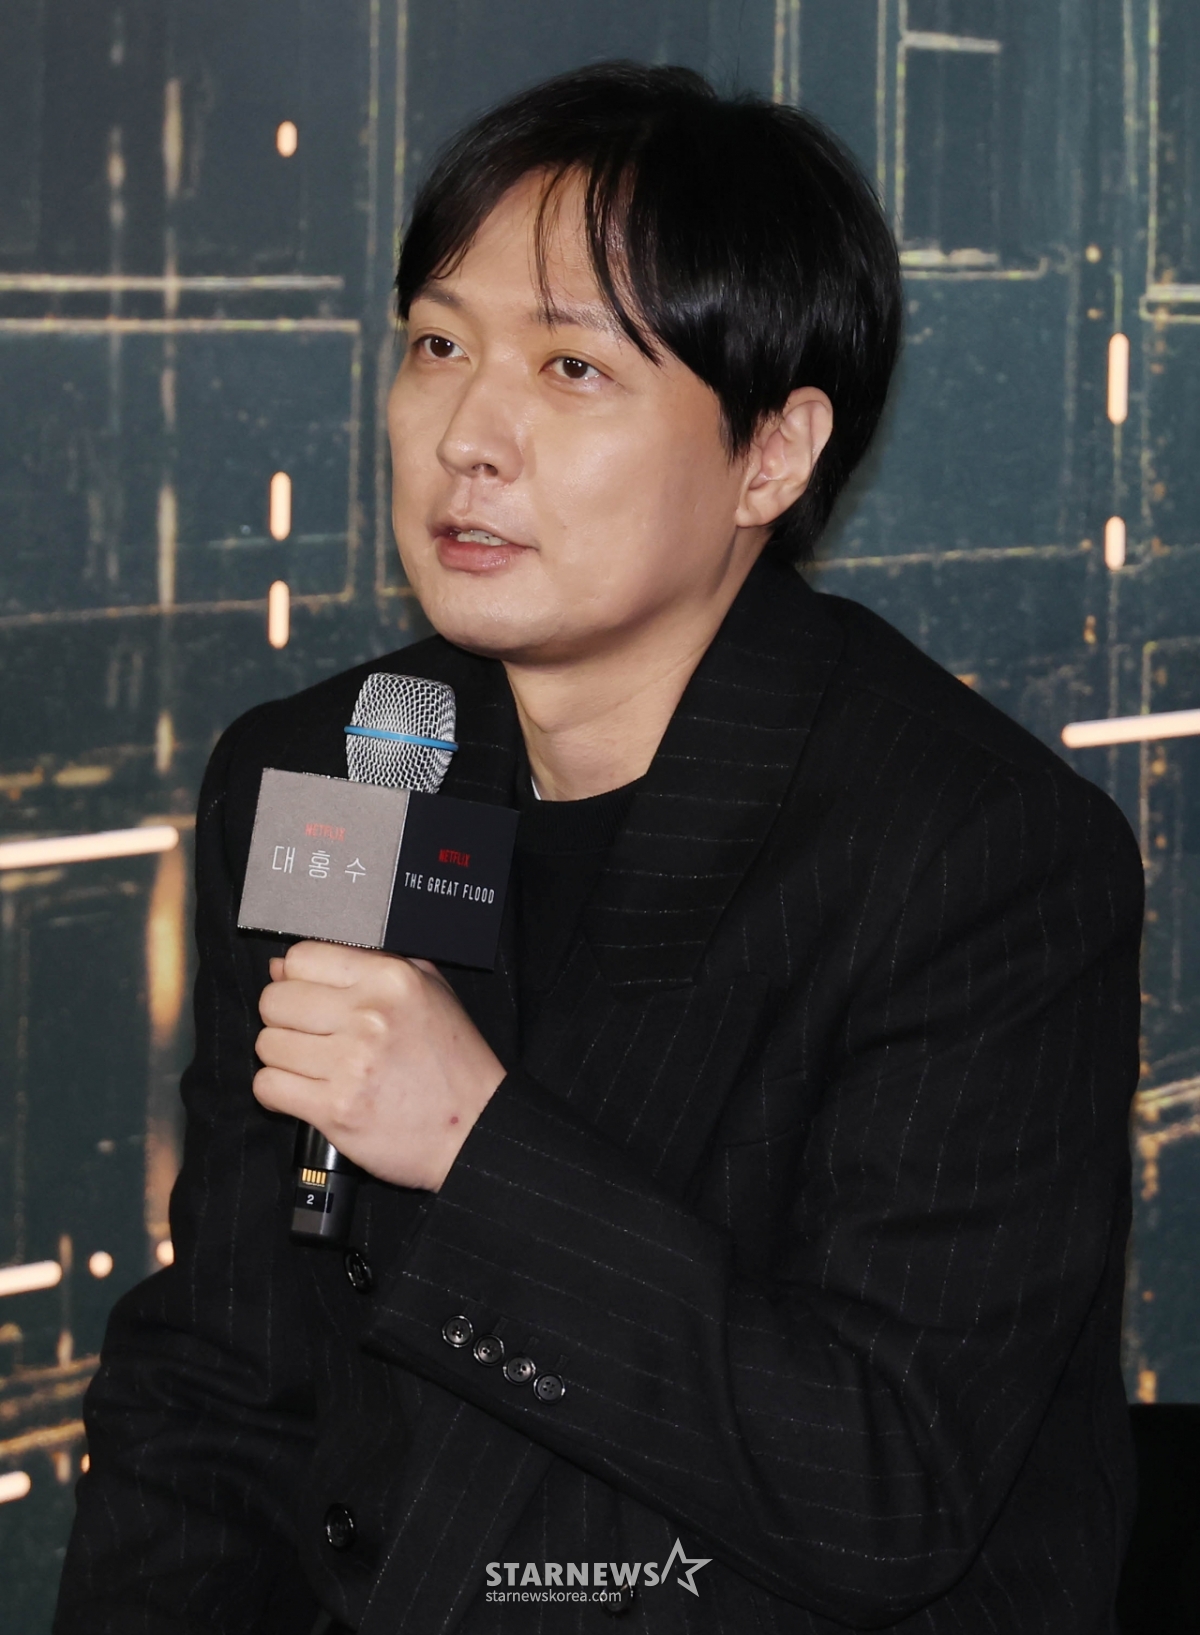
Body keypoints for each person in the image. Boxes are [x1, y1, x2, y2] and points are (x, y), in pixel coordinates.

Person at [56, 62, 1144, 1635]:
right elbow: (228, 1373)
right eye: (438, 346)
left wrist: (473, 1144)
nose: (467, 437)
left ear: (772, 455)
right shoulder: (330, 769)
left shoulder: (978, 860)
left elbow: (883, 1482)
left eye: (572, 368)